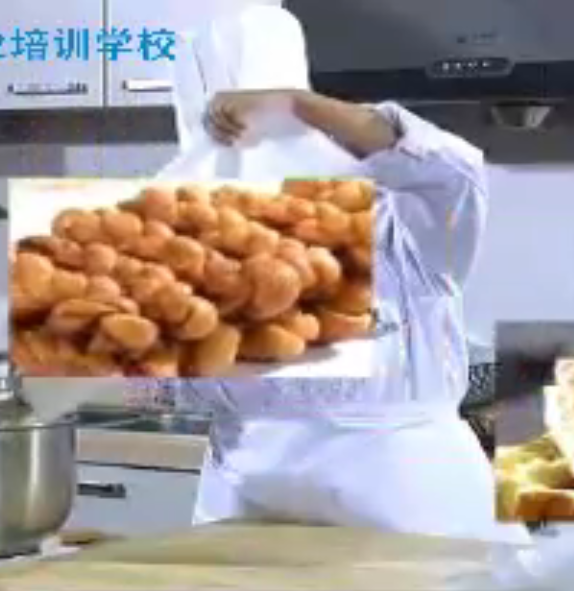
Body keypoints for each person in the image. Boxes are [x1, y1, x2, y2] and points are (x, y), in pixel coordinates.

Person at [157, 5, 531, 545]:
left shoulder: (402, 220)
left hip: (406, 506)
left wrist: (297, 106)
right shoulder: (186, 235)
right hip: (246, 506)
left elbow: (452, 168)